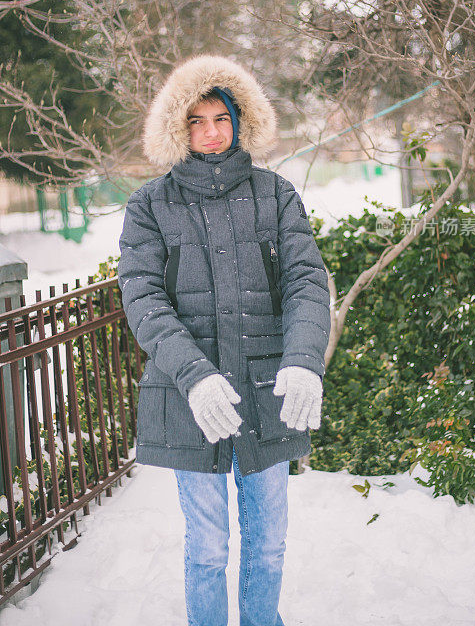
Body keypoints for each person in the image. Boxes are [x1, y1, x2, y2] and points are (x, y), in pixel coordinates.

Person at [117, 55, 331, 626]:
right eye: (195, 120)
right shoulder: (150, 205)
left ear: (241, 120)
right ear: (177, 128)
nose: (210, 132)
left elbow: (306, 281)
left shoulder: (276, 195)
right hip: (194, 403)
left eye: (221, 118)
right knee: (208, 550)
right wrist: (194, 376)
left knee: (268, 546)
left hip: (268, 392)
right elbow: (144, 299)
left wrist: (304, 360)